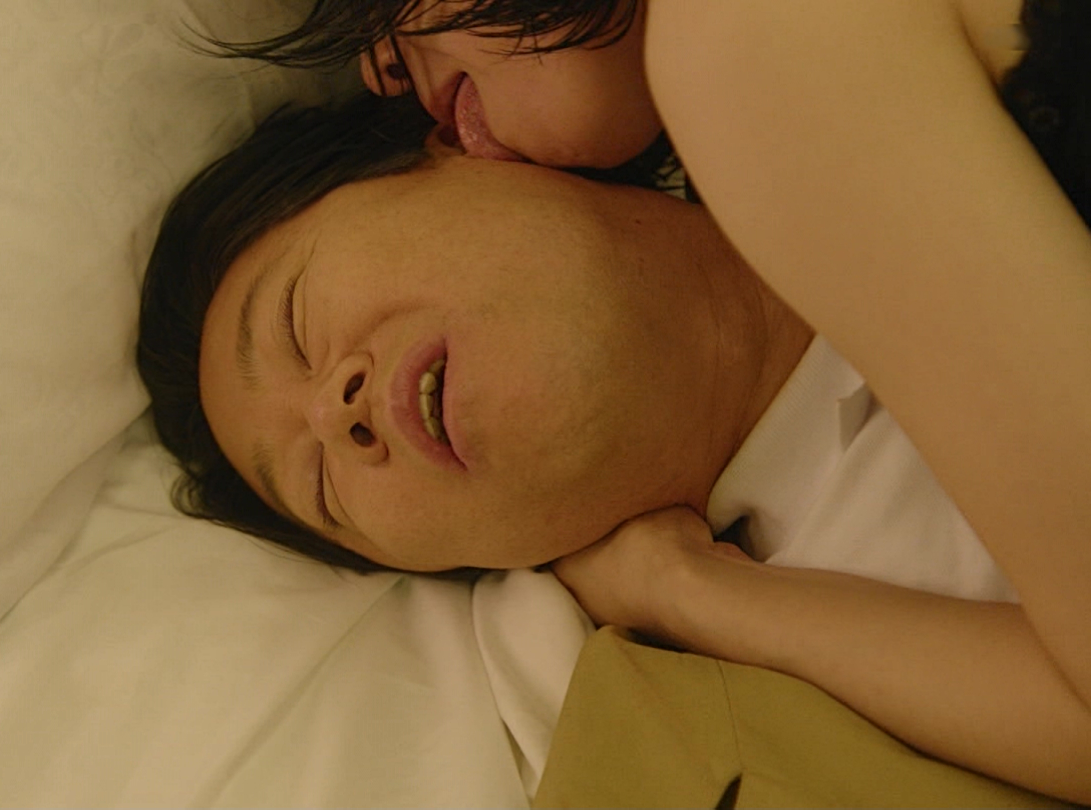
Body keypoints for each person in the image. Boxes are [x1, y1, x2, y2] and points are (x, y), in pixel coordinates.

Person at [215, 1, 1091, 800]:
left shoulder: (762, 56)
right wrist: (690, 594)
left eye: (295, 321)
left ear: (447, 155)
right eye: (323, 488)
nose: (334, 413)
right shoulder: (828, 672)